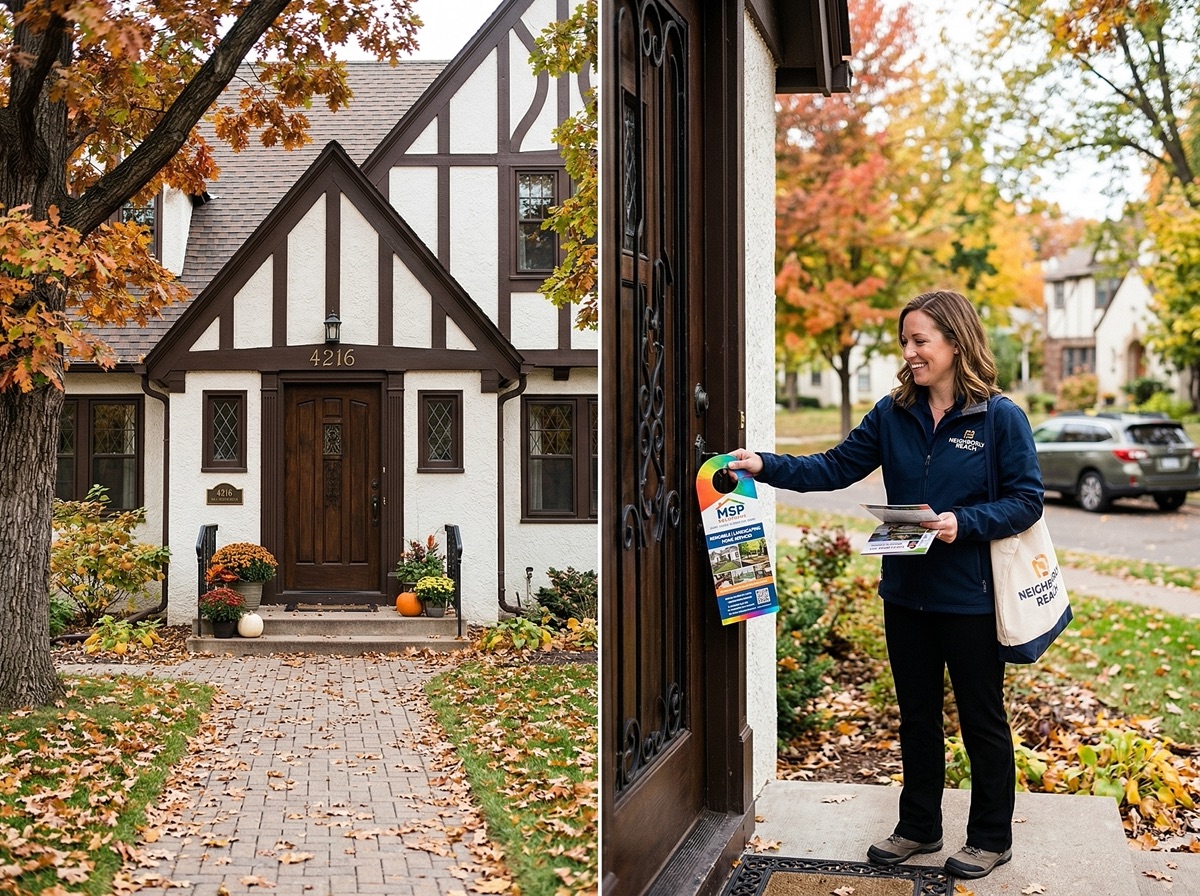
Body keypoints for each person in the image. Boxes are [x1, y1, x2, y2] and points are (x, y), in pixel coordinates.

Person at [727, 289, 1042, 880]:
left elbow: (1026, 502)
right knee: (916, 713)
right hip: (905, 594)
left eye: (920, 340)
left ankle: (991, 836)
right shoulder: (892, 414)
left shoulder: (1000, 418)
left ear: (956, 341)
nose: (910, 352)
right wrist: (765, 465)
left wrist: (960, 523)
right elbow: (835, 466)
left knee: (981, 717)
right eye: (906, 341)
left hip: (970, 598)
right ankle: (919, 825)